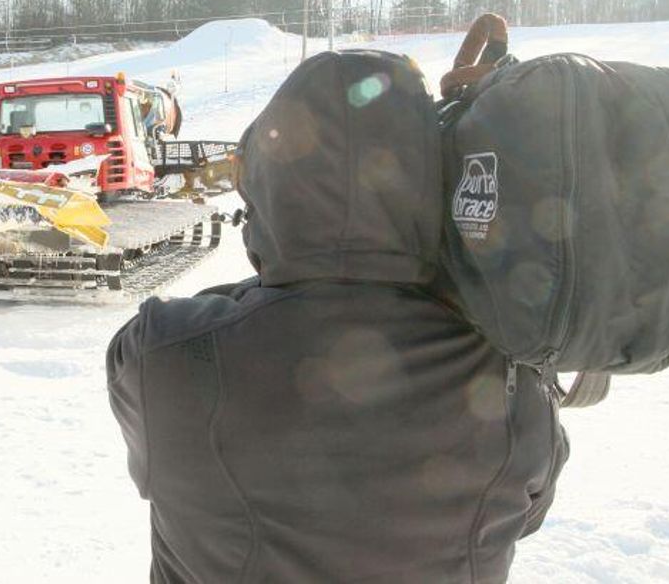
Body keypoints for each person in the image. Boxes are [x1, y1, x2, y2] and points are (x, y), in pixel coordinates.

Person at [107, 50, 567, 583]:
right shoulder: (509, 372)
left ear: (267, 184)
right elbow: (527, 512)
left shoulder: (162, 356)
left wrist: (289, 273)